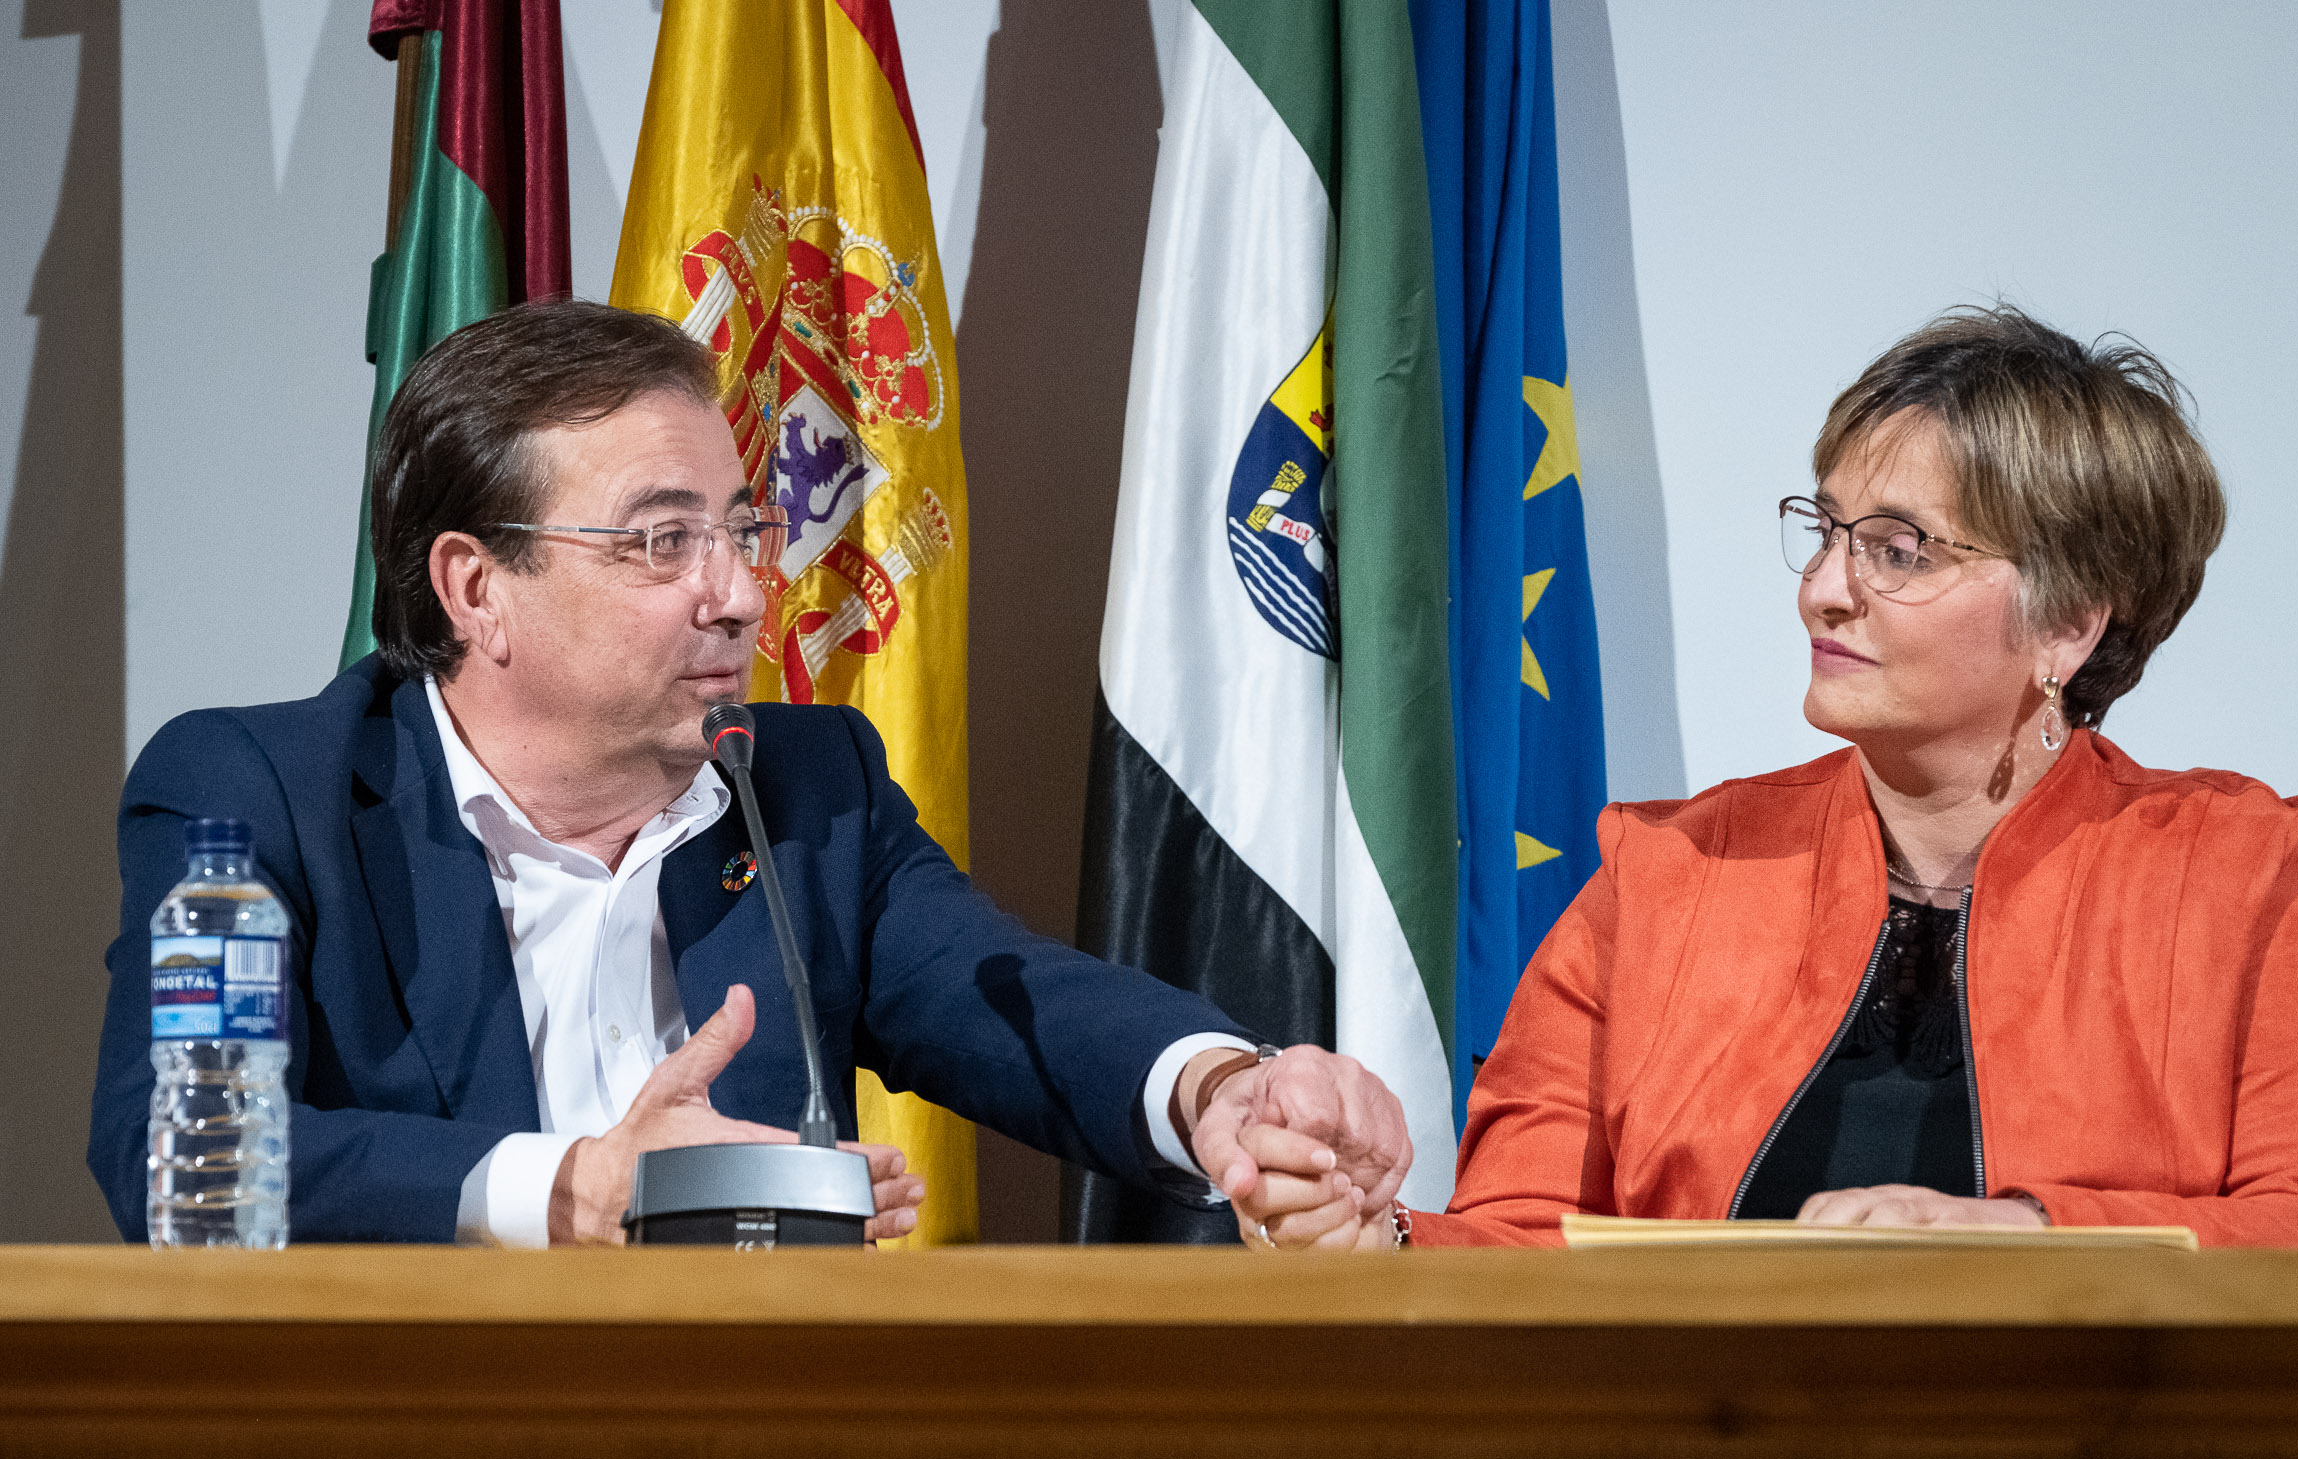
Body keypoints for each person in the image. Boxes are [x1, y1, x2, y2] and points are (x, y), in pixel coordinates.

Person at [89, 299, 1411, 1245]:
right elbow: (182, 1154)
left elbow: (1007, 997)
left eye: (743, 532)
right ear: (477, 586)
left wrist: (1220, 1090)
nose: (737, 596)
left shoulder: (811, 787)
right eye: (663, 545)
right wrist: (575, 1189)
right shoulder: (258, 791)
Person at [1231, 304, 2298, 1250]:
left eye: (1897, 550)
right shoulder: (1667, 878)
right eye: (1827, 528)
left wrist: (2018, 1238)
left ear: (2068, 624)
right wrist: (1370, 1238)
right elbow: (1526, 1246)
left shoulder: (2251, 878)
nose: (1822, 588)